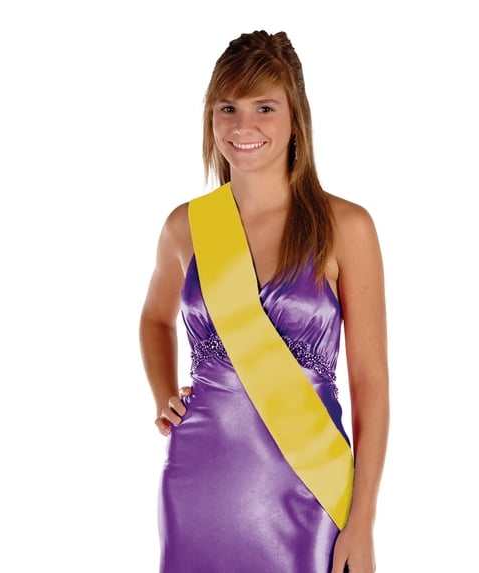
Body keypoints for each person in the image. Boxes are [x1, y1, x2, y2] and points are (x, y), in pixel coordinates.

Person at [139, 30, 389, 573]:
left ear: (296, 118)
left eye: (264, 108)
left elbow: (370, 383)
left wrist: (364, 518)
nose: (242, 126)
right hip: (197, 484)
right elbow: (155, 319)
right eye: (227, 107)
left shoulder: (345, 227)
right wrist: (163, 396)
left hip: (310, 485)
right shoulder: (186, 226)